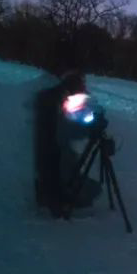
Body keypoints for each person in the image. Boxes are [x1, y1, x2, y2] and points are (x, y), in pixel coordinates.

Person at [34, 70, 101, 216]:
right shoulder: (53, 100)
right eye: (81, 85)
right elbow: (62, 132)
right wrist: (89, 129)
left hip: (55, 156)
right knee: (91, 190)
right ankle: (61, 199)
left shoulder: (56, 97)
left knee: (92, 188)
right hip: (54, 161)